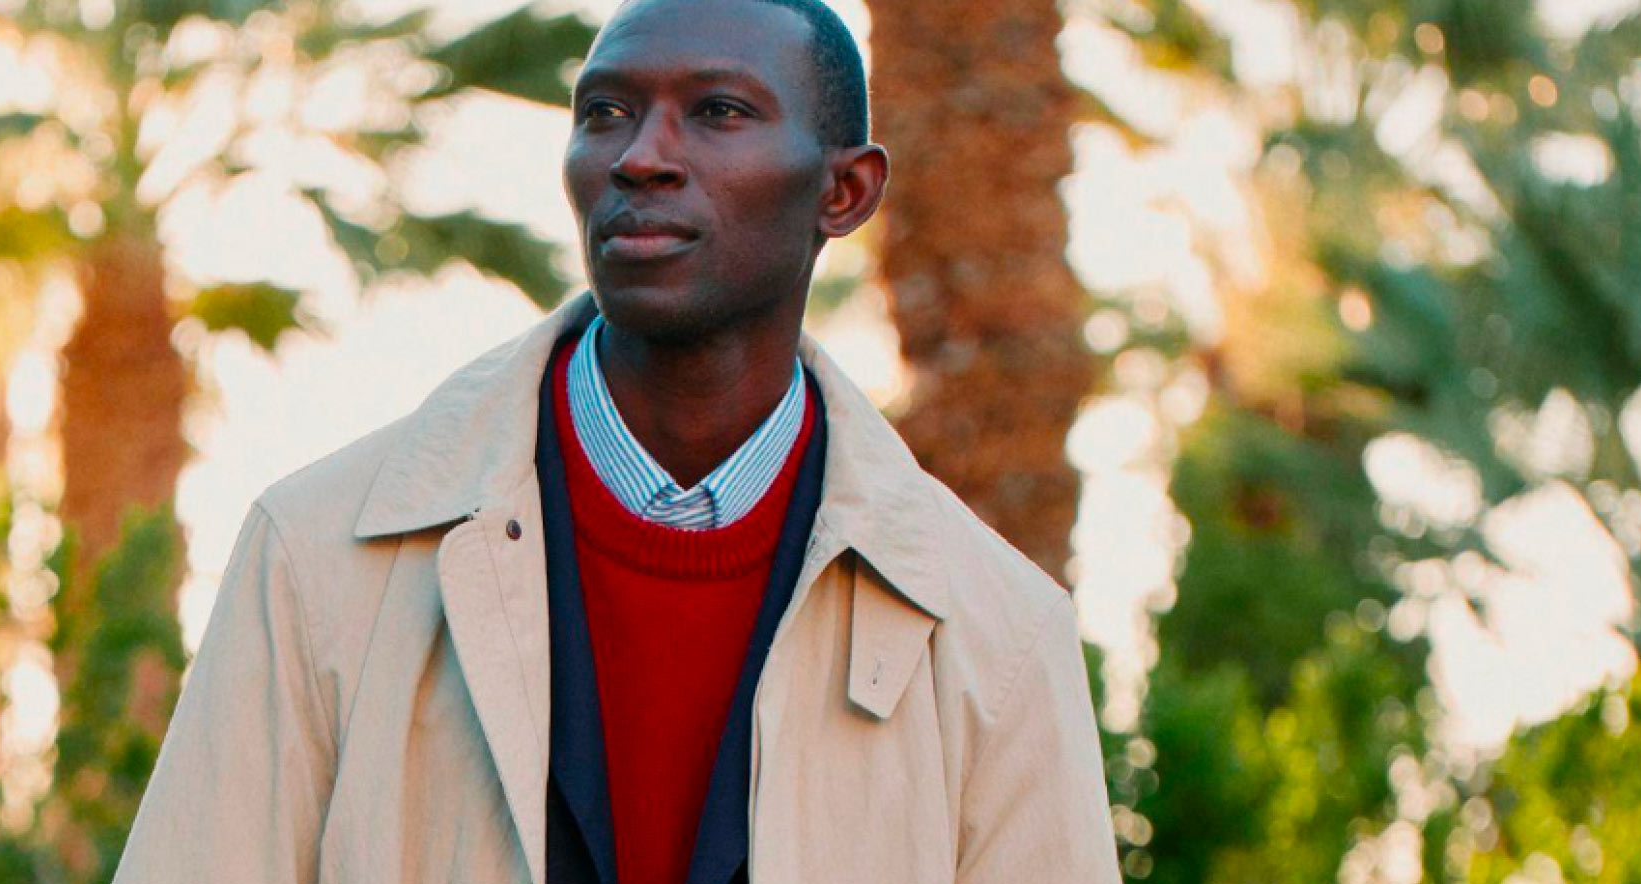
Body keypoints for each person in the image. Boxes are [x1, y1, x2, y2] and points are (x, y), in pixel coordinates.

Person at [111, 0, 1120, 881]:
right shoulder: (317, 555)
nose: (638, 153)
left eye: (717, 111)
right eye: (604, 112)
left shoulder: (998, 633)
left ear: (841, 191)